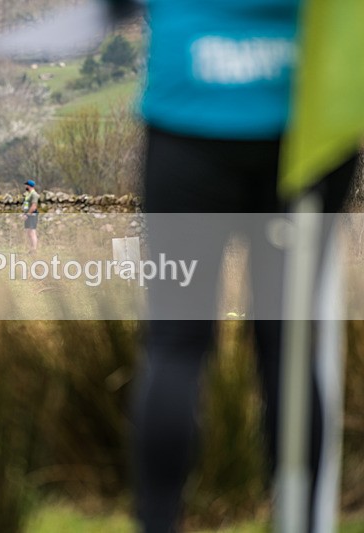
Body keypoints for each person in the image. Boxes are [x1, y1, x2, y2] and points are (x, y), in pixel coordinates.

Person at [131, 1, 359, 532]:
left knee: (175, 341)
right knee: (289, 345)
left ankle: (158, 522)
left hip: (190, 105)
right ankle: (300, 519)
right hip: (308, 115)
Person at [21, 179, 40, 255]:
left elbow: (34, 206)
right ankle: (31, 249)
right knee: (29, 232)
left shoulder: (34, 194)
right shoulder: (28, 194)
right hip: (28, 215)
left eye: (26, 185)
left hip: (32, 215)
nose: (25, 186)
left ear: (29, 186)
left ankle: (34, 249)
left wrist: (27, 214)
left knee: (32, 232)